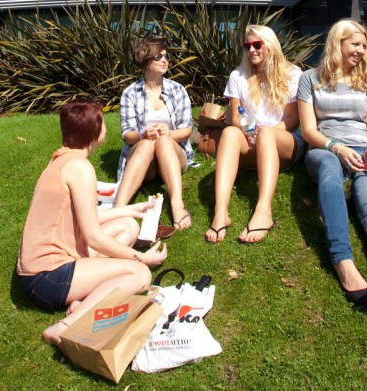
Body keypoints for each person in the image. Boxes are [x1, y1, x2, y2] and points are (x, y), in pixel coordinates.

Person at [17, 99, 168, 345]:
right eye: (103, 123)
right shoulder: (80, 168)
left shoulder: (63, 160)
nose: (105, 127)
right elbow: (93, 237)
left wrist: (129, 209)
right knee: (139, 274)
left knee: (128, 225)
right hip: (46, 278)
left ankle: (83, 297)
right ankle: (64, 327)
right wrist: (141, 258)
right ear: (93, 132)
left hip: (49, 265)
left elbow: (86, 217)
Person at [299, 19, 367, 305]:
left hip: (363, 149)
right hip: (325, 148)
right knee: (330, 170)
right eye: (355, 44)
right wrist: (336, 148)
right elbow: (309, 130)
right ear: (338, 43)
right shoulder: (310, 78)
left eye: (364, 46)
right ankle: (342, 260)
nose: (361, 50)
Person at [205, 24, 303, 244]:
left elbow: (293, 119)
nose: (251, 50)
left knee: (267, 132)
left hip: (284, 144)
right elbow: (234, 117)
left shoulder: (293, 74)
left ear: (270, 45)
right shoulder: (238, 76)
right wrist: (246, 129)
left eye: (257, 45)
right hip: (250, 143)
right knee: (230, 132)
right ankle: (220, 212)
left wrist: (265, 133)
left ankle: (263, 210)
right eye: (247, 46)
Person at [114, 38, 195, 231]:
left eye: (166, 56)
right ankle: (118, 209)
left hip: (173, 155)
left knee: (164, 141)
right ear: (145, 60)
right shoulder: (130, 93)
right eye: (158, 57)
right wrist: (143, 135)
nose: (165, 60)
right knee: (146, 144)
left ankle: (177, 204)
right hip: (146, 161)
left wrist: (170, 133)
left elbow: (187, 130)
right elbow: (127, 135)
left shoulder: (178, 90)